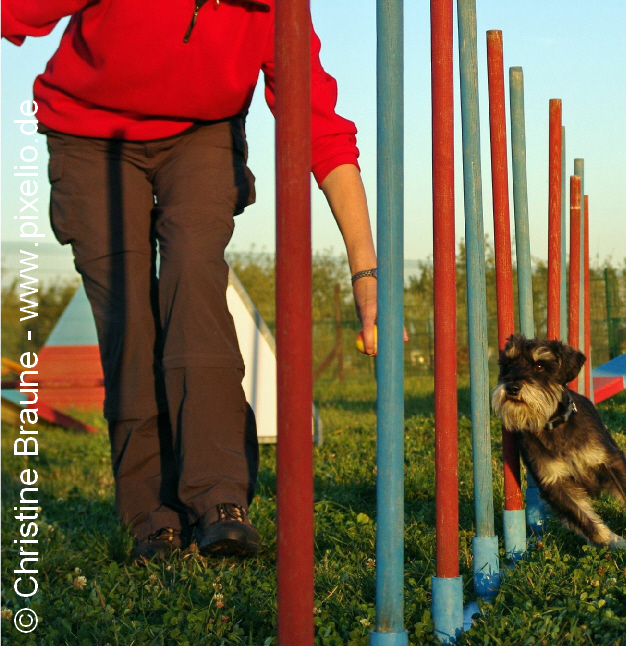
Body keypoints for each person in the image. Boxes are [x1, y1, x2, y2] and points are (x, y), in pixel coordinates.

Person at [2, 1, 379, 561]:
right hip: (89, 134)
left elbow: (322, 130)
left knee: (194, 278)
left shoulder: (276, 9)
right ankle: (153, 518)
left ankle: (220, 498)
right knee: (127, 314)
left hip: (202, 135)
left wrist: (365, 270)